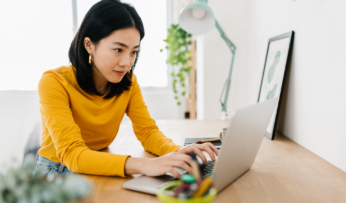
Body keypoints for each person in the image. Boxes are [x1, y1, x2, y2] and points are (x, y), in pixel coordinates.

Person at [33, 0, 218, 179]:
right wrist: (146, 165)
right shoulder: (54, 82)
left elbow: (147, 132)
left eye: (133, 51)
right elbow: (72, 154)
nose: (127, 63)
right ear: (89, 45)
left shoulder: (127, 82)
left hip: (96, 167)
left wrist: (176, 150)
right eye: (118, 50)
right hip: (55, 173)